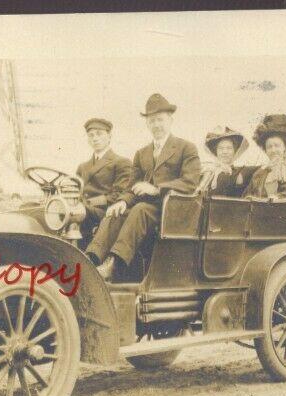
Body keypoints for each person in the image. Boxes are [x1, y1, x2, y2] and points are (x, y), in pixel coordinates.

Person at [86, 93, 201, 280]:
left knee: (139, 209)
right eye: (152, 121)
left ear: (170, 121)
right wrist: (122, 201)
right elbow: (132, 186)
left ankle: (114, 263)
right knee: (115, 212)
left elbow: (190, 183)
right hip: (146, 210)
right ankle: (90, 259)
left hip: (171, 210)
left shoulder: (186, 148)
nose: (156, 125)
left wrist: (157, 189)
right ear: (147, 124)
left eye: (160, 120)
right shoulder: (142, 153)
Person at [75, 118, 134, 247]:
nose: (95, 138)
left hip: (106, 213)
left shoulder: (121, 163)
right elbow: (76, 192)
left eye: (99, 134)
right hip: (83, 210)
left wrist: (88, 203)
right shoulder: (82, 167)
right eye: (91, 135)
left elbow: (118, 196)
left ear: (109, 136)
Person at [242, 114, 286, 198]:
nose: (273, 150)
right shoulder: (260, 173)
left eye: (277, 146)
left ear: (284, 147)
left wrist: (278, 199)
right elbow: (247, 195)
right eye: (269, 147)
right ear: (265, 150)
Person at [201, 126, 257, 197]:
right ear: (216, 151)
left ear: (235, 151)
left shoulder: (240, 171)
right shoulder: (207, 171)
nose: (225, 152)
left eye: (229, 148)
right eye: (220, 148)